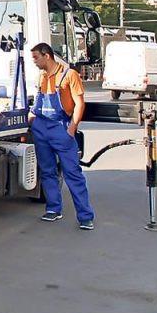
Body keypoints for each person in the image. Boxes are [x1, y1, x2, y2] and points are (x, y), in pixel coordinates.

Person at [29, 42, 94, 230]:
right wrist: (32, 119)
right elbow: (38, 101)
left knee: (72, 173)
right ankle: (53, 209)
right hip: (41, 127)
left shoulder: (69, 75)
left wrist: (72, 128)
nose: (34, 62)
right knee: (47, 171)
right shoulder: (42, 76)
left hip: (61, 128)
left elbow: (79, 104)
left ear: (46, 56)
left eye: (36, 58)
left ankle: (85, 216)